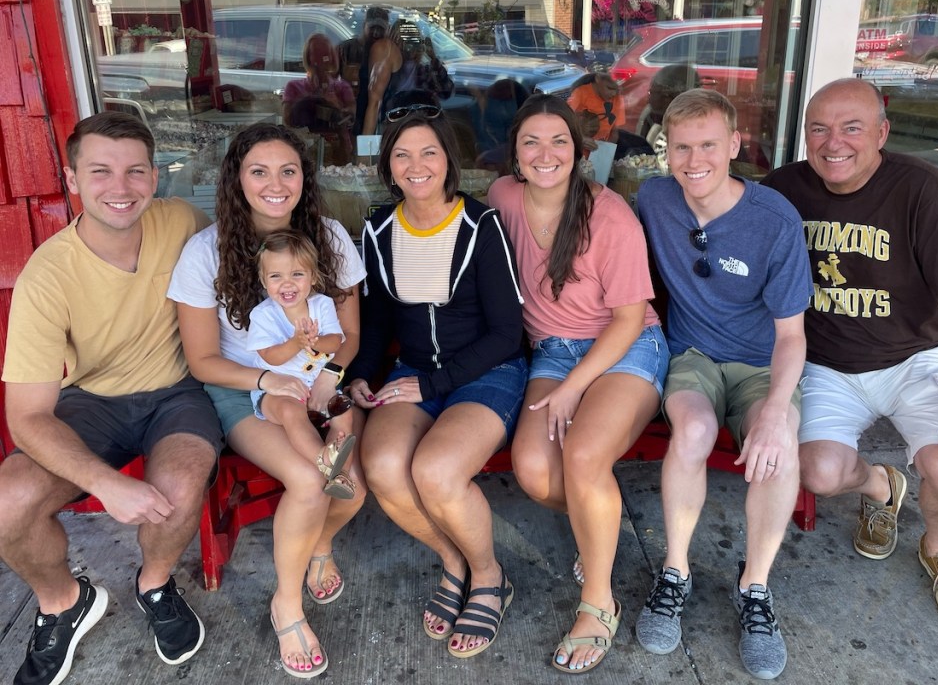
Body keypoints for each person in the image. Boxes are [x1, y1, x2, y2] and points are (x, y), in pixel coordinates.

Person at [763, 77, 938, 630]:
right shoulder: (782, 190)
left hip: (915, 358)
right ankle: (881, 485)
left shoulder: (922, 189)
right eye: (818, 128)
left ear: (882, 133)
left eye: (852, 128)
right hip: (826, 365)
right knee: (818, 473)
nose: (833, 142)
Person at [0, 112, 222, 685]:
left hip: (177, 392)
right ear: (72, 178)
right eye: (100, 171)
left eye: (134, 171)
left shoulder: (184, 223)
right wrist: (104, 481)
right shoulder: (47, 275)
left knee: (180, 481)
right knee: (7, 501)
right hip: (91, 401)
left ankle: (155, 583)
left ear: (154, 177)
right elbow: (26, 417)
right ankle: (62, 602)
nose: (120, 188)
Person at [167, 123, 366, 678]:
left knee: (350, 489)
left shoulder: (328, 238)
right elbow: (204, 360)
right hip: (244, 393)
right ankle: (287, 603)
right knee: (313, 480)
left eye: (288, 170)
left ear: (305, 178)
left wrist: (328, 378)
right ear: (237, 179)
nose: (275, 183)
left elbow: (347, 335)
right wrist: (266, 383)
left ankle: (317, 544)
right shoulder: (206, 253)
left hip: (319, 381)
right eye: (259, 171)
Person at [635, 89, 812, 680]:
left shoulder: (773, 218)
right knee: (692, 431)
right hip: (693, 355)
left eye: (708, 145)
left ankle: (755, 588)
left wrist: (774, 412)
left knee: (780, 444)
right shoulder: (655, 198)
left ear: (734, 145)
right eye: (680, 147)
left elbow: (792, 337)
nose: (693, 160)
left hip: (764, 363)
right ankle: (676, 572)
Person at [490, 94, 669, 674]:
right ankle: (600, 525)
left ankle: (599, 601)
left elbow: (627, 319)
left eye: (559, 141)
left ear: (579, 151)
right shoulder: (502, 198)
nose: (546, 154)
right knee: (536, 471)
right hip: (552, 352)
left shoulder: (609, 212)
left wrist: (571, 388)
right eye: (532, 142)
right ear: (514, 155)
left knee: (585, 455)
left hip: (624, 346)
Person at [346, 105, 526, 660]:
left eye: (428, 152)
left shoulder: (481, 226)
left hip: (486, 373)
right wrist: (359, 375)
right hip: (413, 375)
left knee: (436, 470)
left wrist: (433, 384)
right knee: (381, 468)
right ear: (388, 166)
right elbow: (376, 322)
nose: (415, 165)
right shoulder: (377, 228)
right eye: (402, 154)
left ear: (448, 161)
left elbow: (505, 333)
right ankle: (454, 564)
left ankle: (489, 574)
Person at [247, 229, 357, 500]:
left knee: (344, 413)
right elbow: (270, 357)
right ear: (263, 280)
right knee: (290, 412)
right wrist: (296, 343)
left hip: (319, 388)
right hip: (278, 392)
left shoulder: (322, 304)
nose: (287, 284)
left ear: (312, 277)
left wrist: (315, 340)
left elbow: (336, 342)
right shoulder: (263, 315)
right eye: (276, 276)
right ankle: (323, 459)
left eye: (297, 274)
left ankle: (339, 469)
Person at [283, 32, 355, 165]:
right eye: (315, 56)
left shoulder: (341, 87)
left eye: (324, 56)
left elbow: (352, 115)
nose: (320, 63)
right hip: (304, 150)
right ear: (308, 59)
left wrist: (336, 106)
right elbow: (287, 120)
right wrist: (308, 101)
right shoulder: (293, 87)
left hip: (337, 151)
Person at [358, 7, 404, 136]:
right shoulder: (357, 49)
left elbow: (375, 103)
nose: (376, 33)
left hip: (380, 129)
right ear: (364, 26)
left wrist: (365, 152)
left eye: (380, 28)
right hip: (376, 125)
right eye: (373, 28)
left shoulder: (382, 48)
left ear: (388, 30)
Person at [567, 65, 625, 145]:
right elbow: (565, 122)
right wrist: (581, 139)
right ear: (598, 79)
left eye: (616, 90)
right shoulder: (580, 93)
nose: (613, 93)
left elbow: (615, 131)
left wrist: (607, 147)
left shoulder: (617, 98)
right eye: (609, 88)